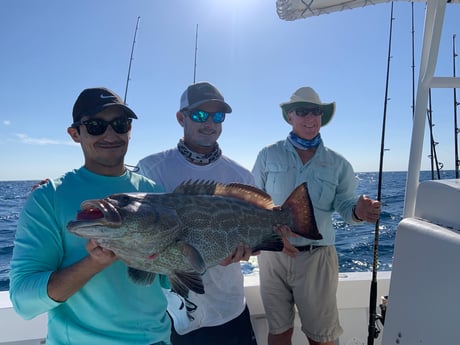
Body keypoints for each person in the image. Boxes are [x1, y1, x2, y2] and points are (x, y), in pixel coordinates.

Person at [9, 87, 171, 345]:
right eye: (95, 126)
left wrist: (216, 252)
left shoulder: (153, 192)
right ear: (75, 134)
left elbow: (167, 278)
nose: (110, 134)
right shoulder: (48, 197)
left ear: (130, 130)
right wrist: (94, 262)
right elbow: (23, 301)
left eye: (120, 124)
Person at [252, 86, 381, 345]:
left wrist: (358, 210)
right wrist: (272, 233)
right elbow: (255, 201)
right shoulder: (268, 154)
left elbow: (344, 205)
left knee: (321, 337)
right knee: (278, 331)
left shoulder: (339, 164)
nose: (310, 118)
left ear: (322, 117)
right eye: (302, 111)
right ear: (290, 116)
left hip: (316, 257)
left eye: (316, 112)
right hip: (273, 255)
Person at [137, 81, 258, 345]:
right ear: (181, 118)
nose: (210, 123)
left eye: (218, 116)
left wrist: (250, 249)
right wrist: (57, 187)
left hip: (230, 307)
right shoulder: (151, 169)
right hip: (173, 311)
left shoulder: (241, 175)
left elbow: (255, 232)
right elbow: (121, 208)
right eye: (200, 115)